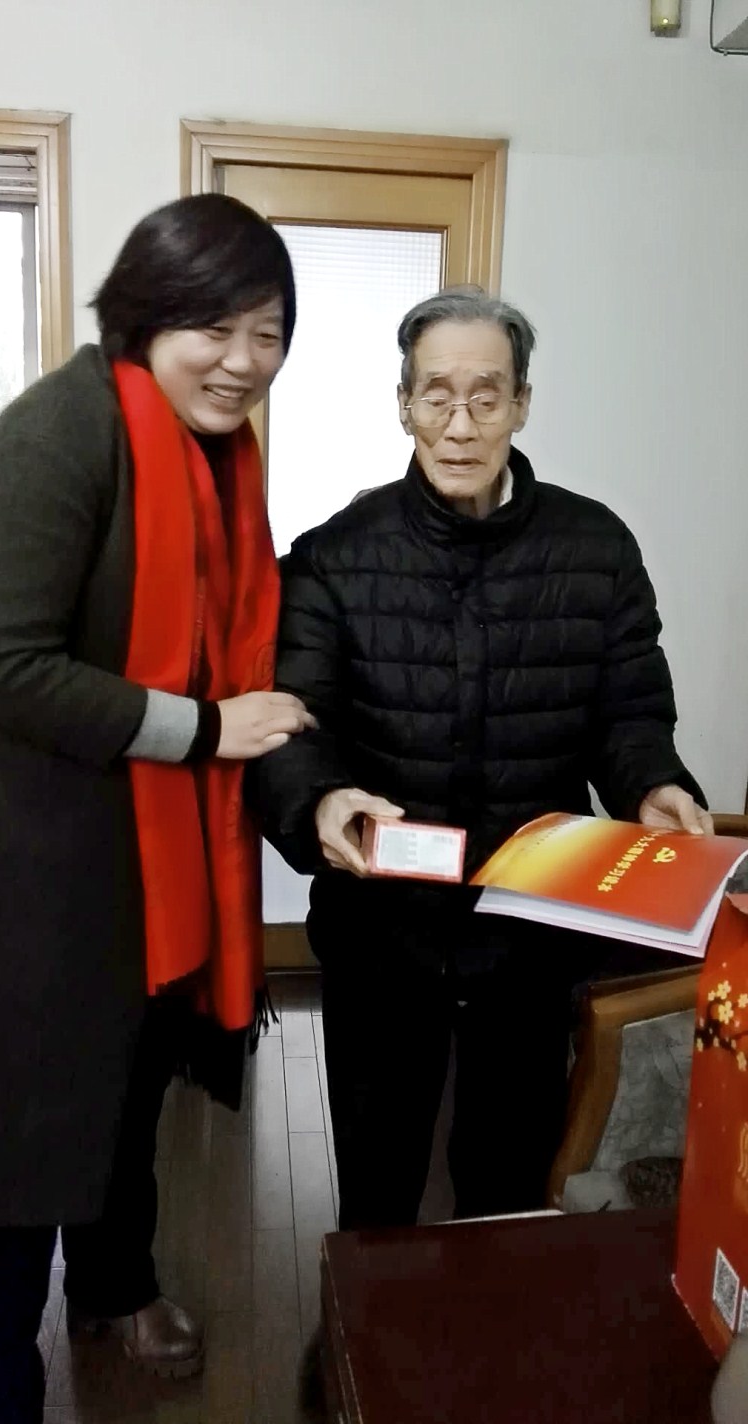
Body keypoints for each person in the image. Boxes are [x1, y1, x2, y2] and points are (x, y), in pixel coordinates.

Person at [0, 193, 310, 1424]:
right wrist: (207, 728)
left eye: (268, 333)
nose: (242, 360)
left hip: (154, 859)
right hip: (41, 862)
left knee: (127, 1088)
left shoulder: (214, 453)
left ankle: (114, 1285)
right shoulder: (57, 436)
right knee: (14, 1137)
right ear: (145, 313)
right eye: (214, 325)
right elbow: (6, 669)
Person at [251, 284, 711, 1235]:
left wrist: (655, 784)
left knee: (506, 1177)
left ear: (522, 404)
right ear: (403, 404)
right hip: (383, 928)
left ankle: (487, 1318)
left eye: (486, 397)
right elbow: (294, 725)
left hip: (529, 928)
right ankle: (369, 1316)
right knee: (378, 1180)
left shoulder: (596, 549)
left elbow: (630, 714)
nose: (459, 426)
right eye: (436, 396)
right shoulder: (335, 557)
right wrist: (322, 800)